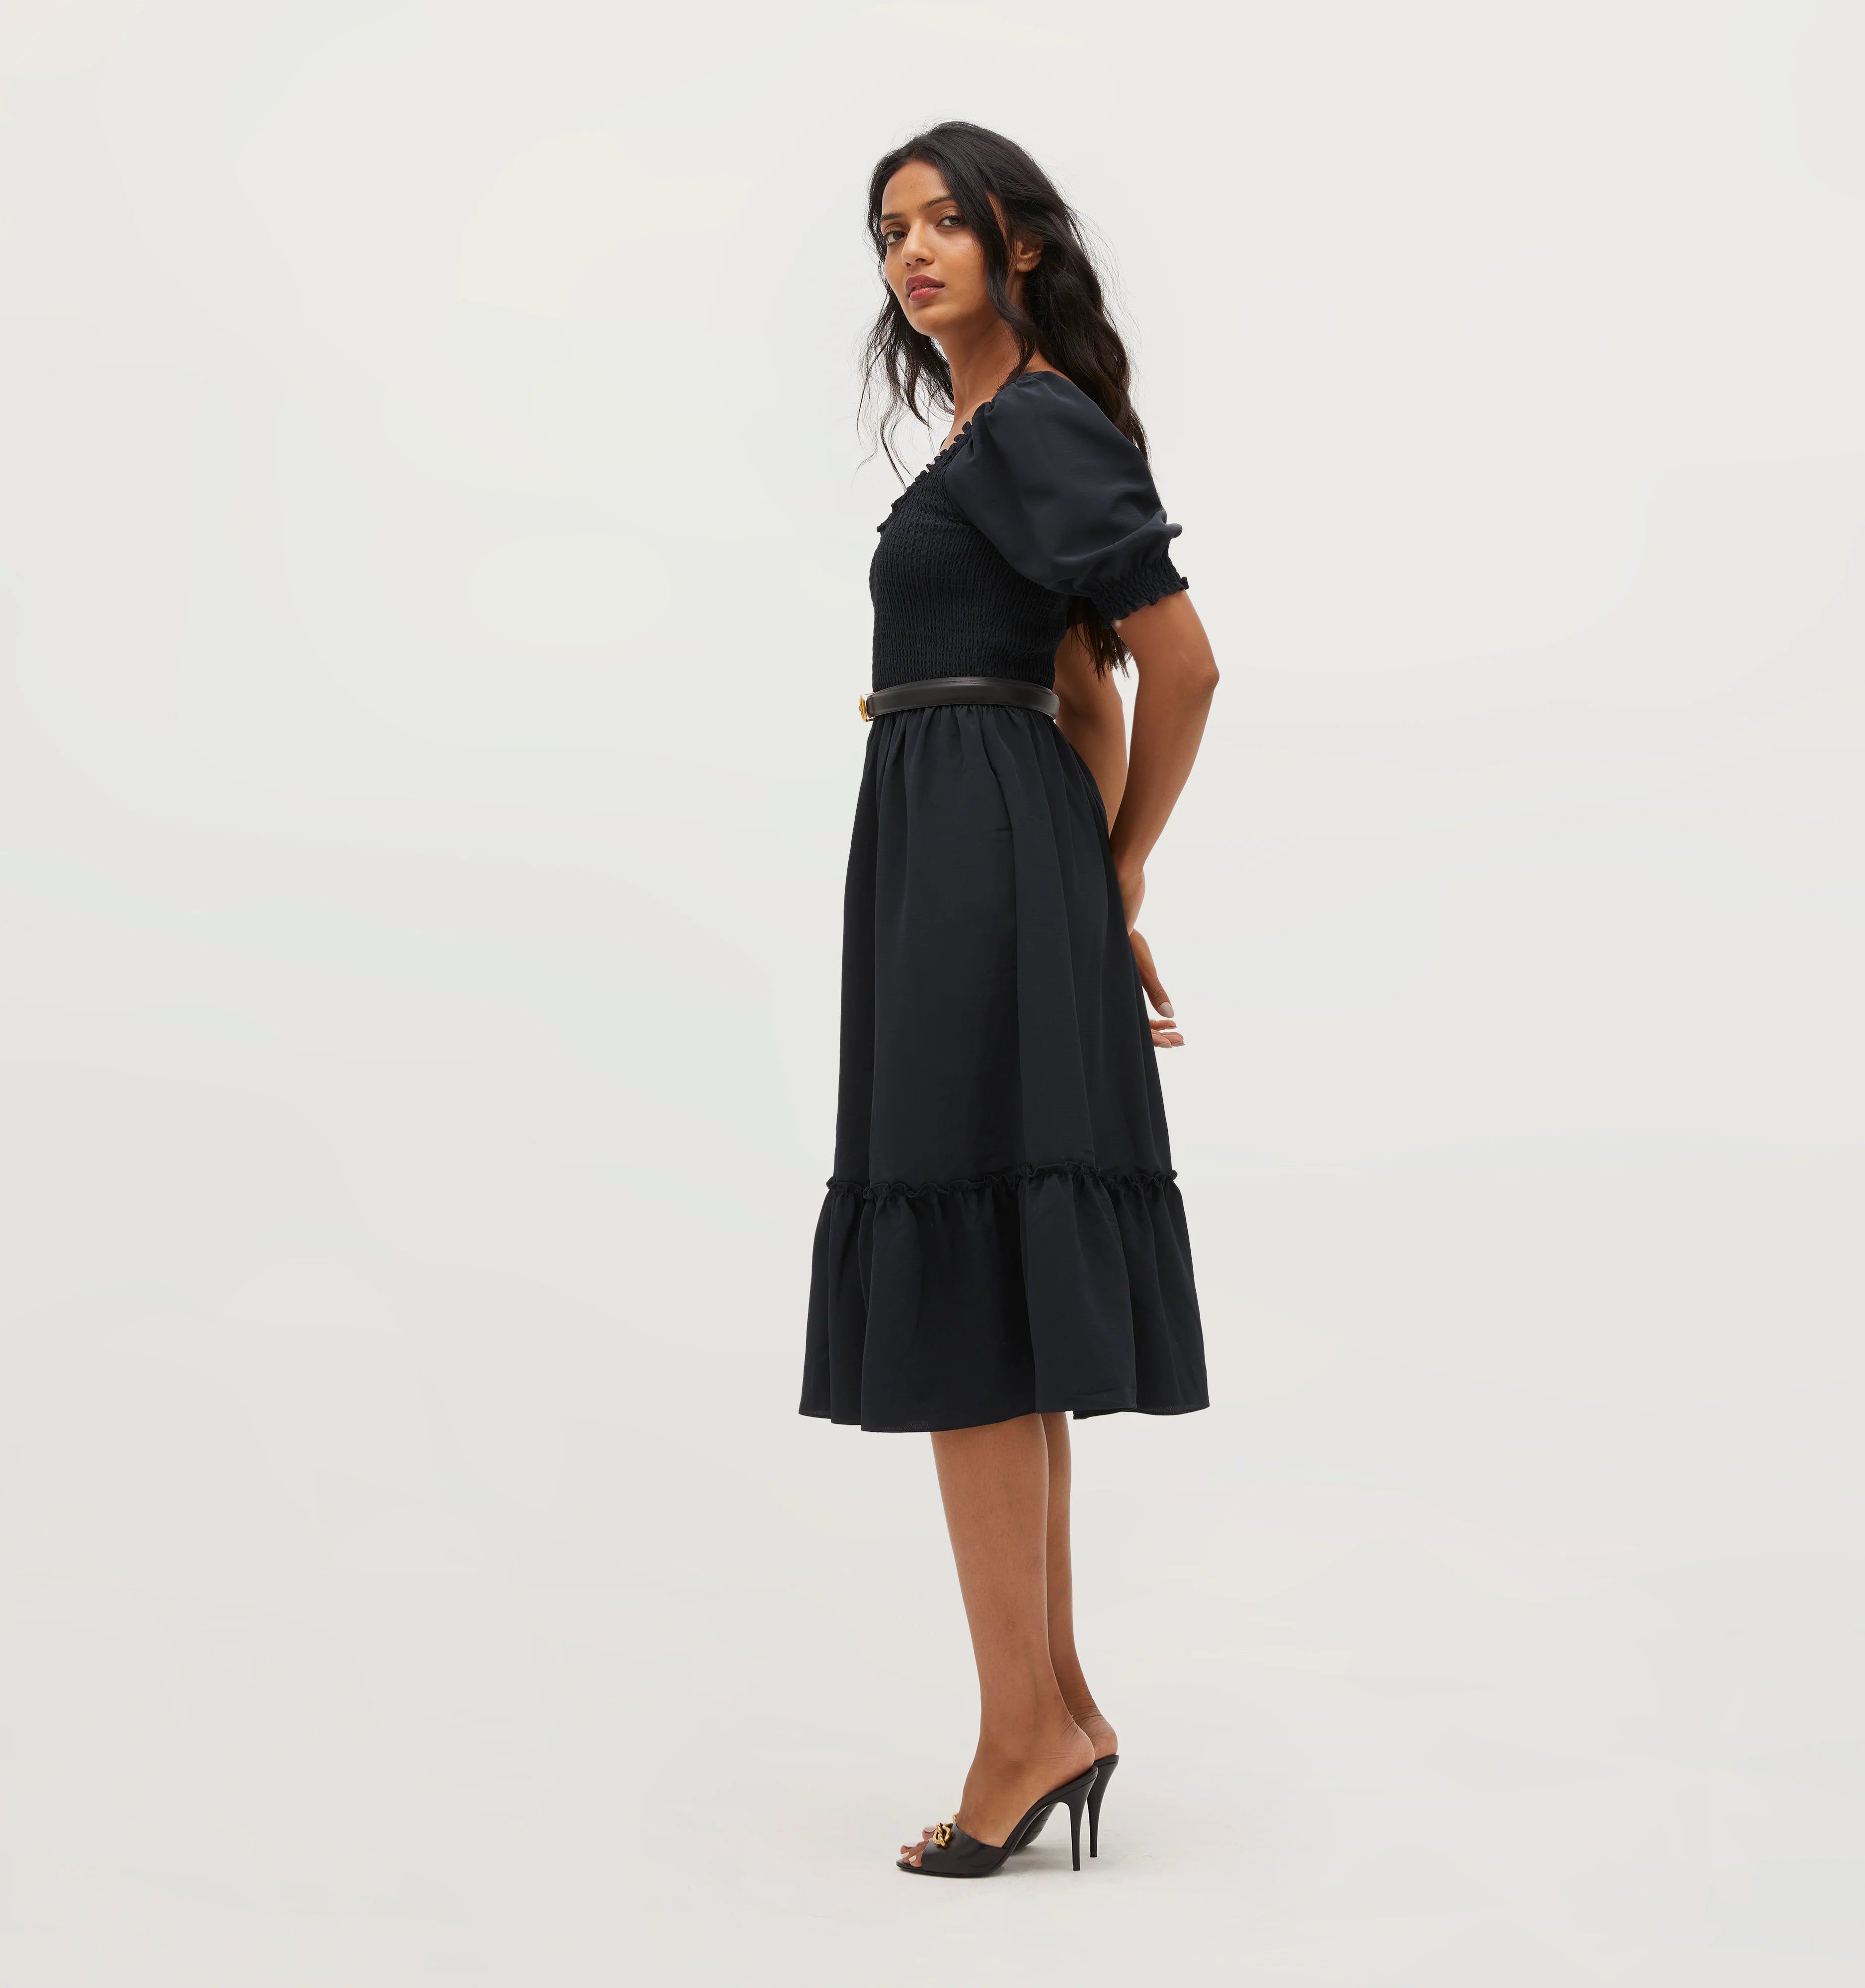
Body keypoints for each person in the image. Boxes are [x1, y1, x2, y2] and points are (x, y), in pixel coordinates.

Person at [799, 121, 1218, 1878]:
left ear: (1017, 244)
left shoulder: (1032, 421)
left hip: (978, 856)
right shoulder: (991, 436)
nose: (910, 252)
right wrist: (1090, 886)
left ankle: (1020, 1736)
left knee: (964, 1290)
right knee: (988, 1289)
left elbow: (1177, 667)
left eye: (943, 223)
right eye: (886, 230)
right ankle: (1054, 1708)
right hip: (969, 847)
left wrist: (1109, 882)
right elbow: (1084, 692)